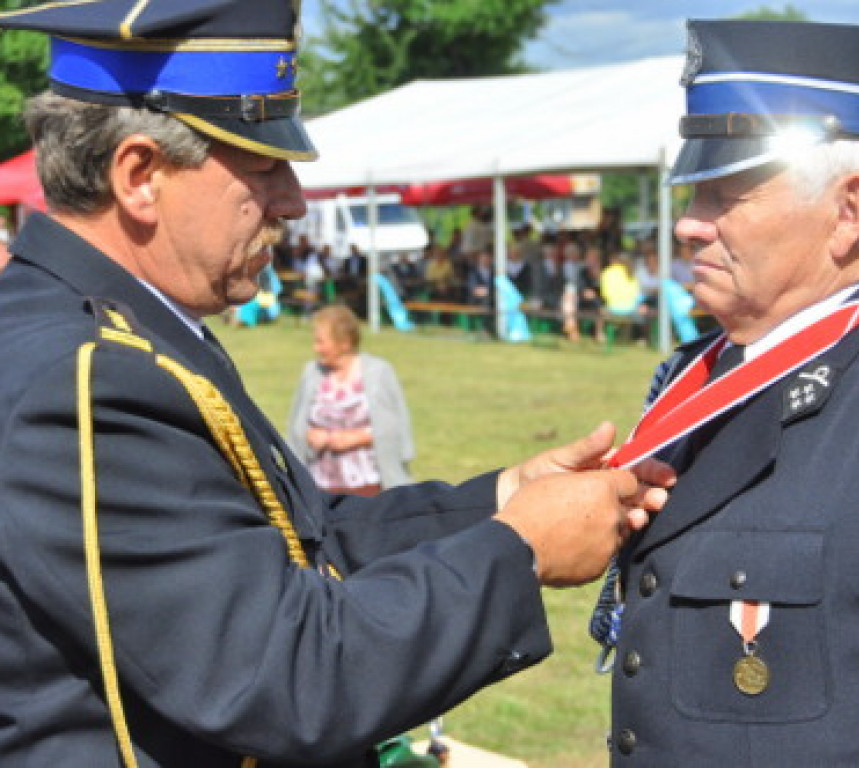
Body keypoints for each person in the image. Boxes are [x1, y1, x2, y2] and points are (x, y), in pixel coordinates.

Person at [0, 2, 673, 765]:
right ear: (140, 176)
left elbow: (297, 543)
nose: (292, 200)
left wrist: (497, 500)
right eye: (261, 167)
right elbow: (283, 673)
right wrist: (519, 551)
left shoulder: (125, 333)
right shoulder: (86, 378)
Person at [592, 19, 859, 766]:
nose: (689, 224)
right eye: (695, 189)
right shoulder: (700, 376)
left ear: (848, 212)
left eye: (728, 192)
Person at [288, 305, 414, 494]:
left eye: (321, 342)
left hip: (370, 486)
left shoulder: (378, 372)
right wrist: (310, 436)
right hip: (319, 487)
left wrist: (355, 438)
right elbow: (296, 424)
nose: (316, 348)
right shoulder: (311, 372)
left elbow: (395, 428)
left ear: (344, 343)